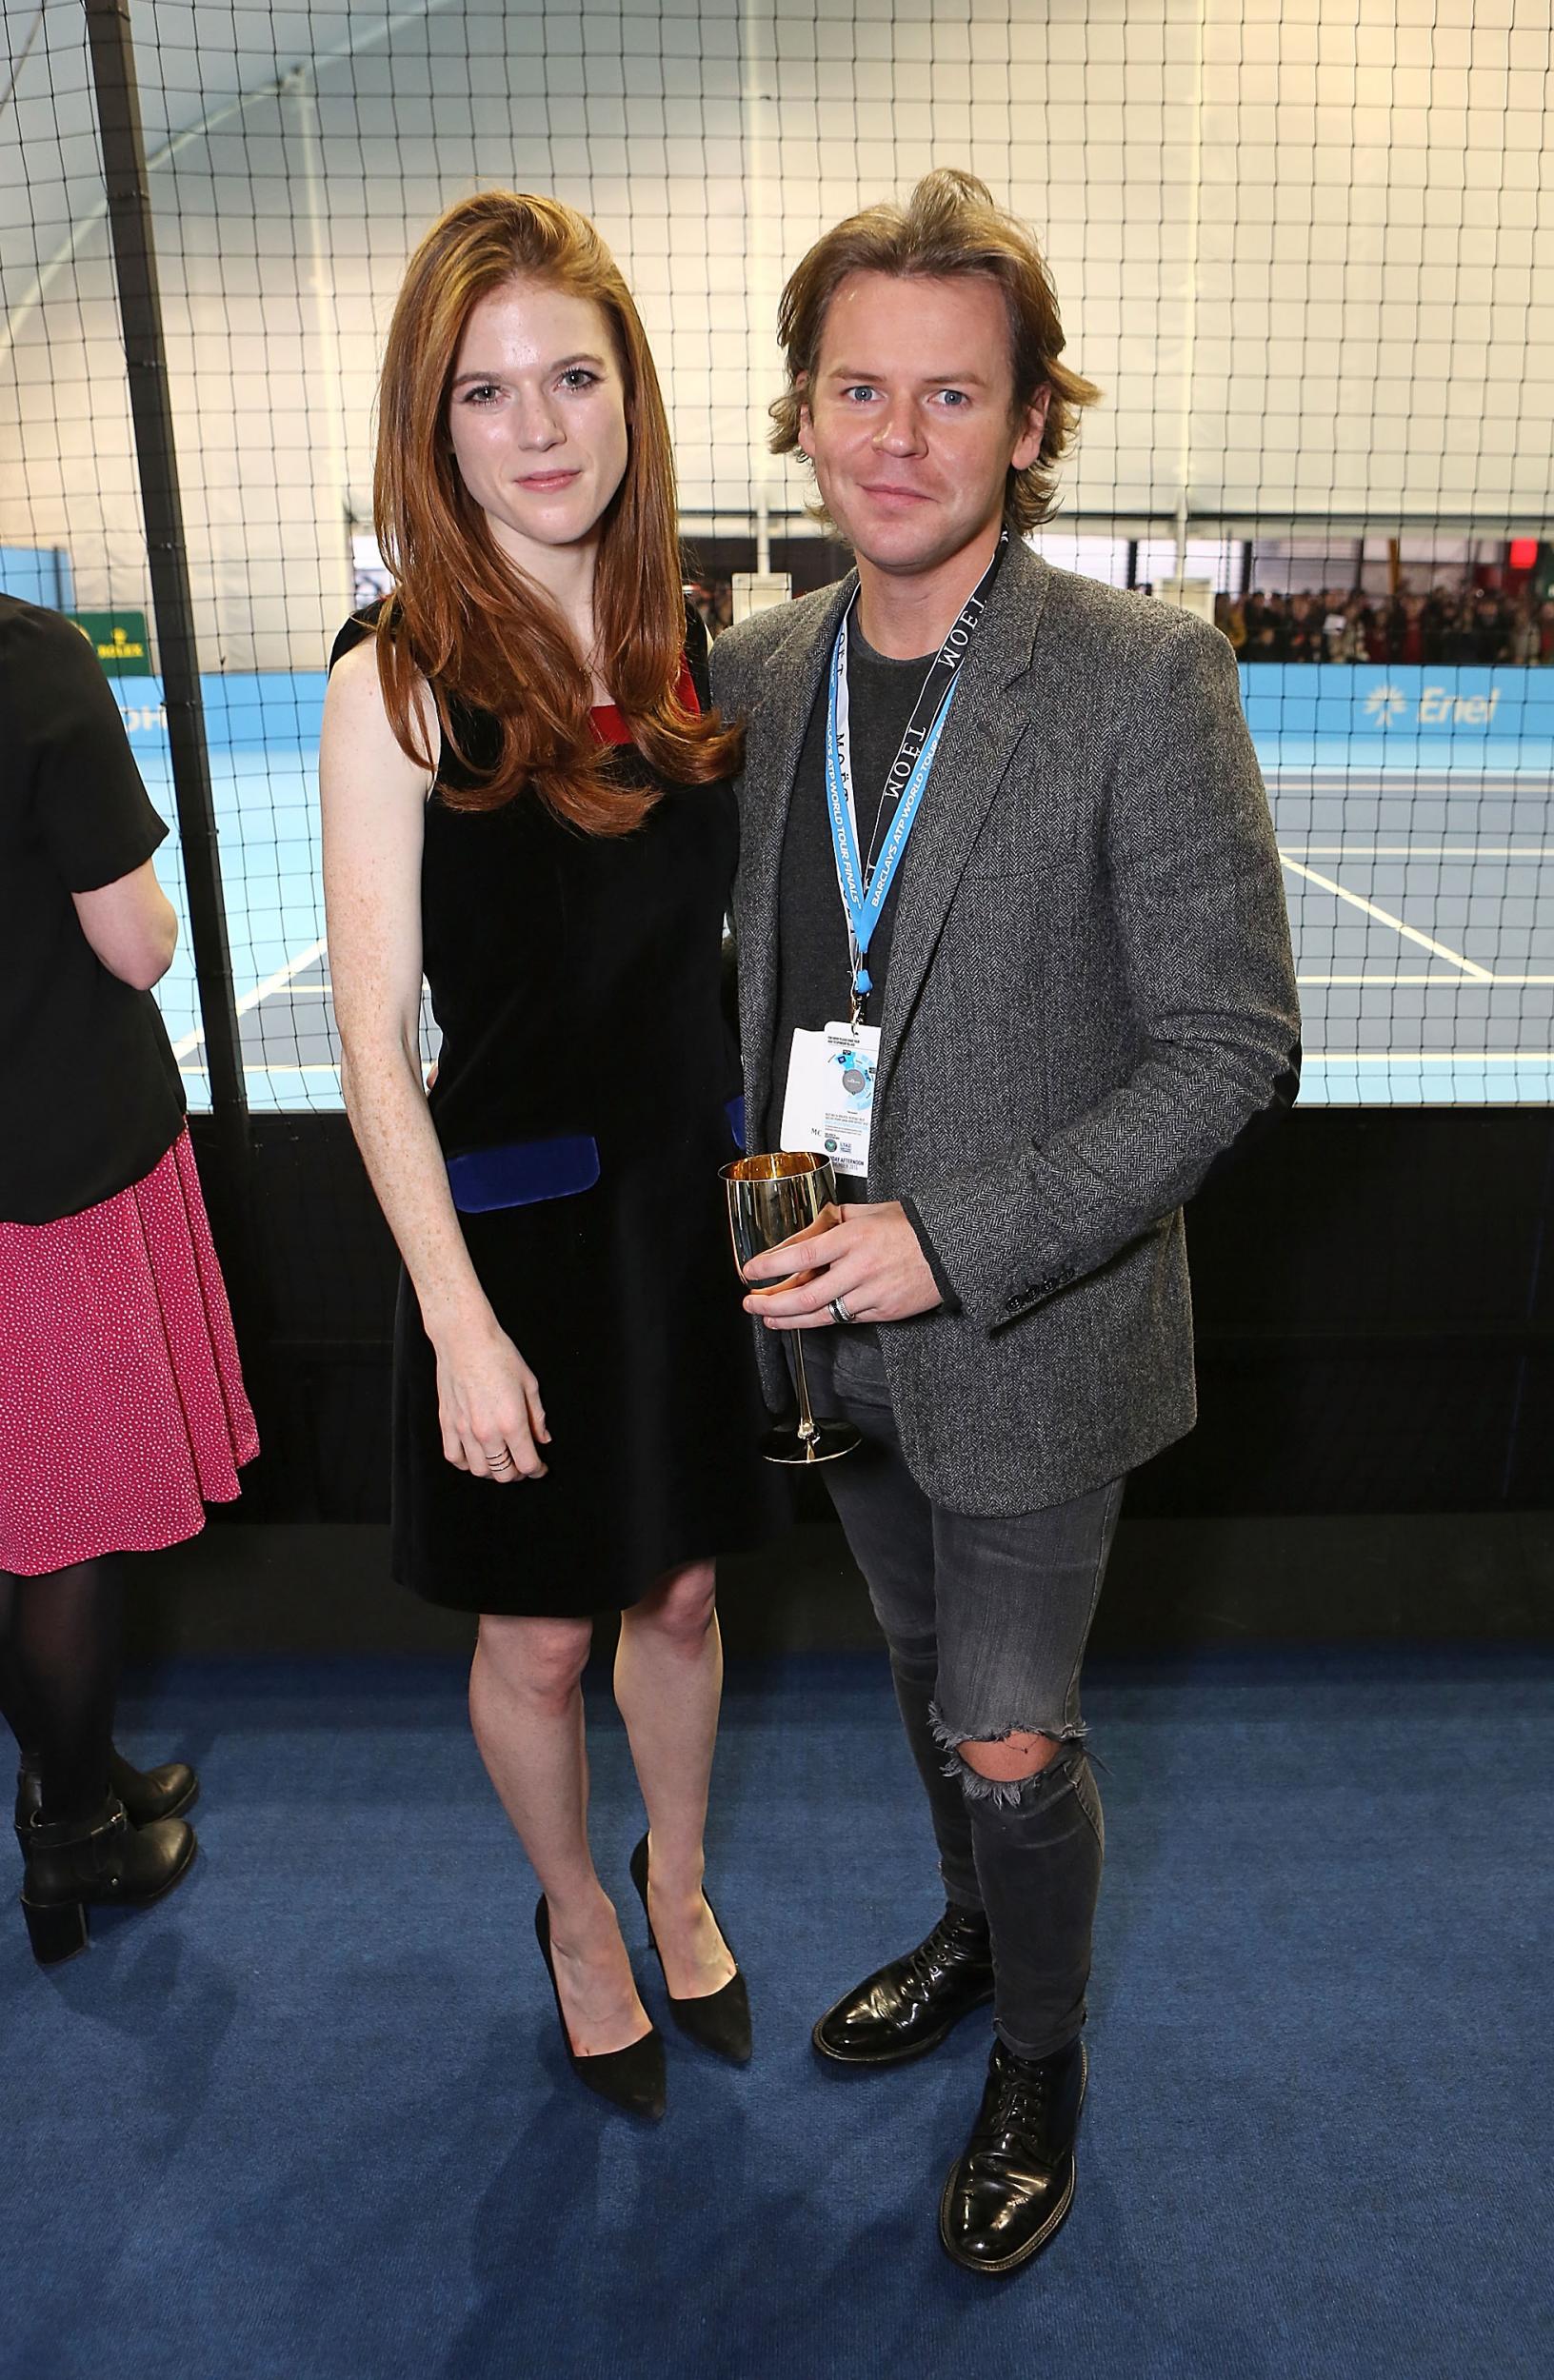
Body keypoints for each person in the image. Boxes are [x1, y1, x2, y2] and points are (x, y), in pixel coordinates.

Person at [712, 169, 1301, 2272]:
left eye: (952, 395)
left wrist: (952, 1237)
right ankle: (972, 1926)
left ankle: (1037, 2046)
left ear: (1034, 423)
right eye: (857, 387)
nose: (898, 433)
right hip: (819, 1316)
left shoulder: (1148, 676)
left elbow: (1230, 1045)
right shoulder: (756, 668)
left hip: (1028, 1322)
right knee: (903, 1655)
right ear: (800, 411)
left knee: (1008, 1715)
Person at [320, 191, 776, 2121]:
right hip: (509, 1255)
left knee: (677, 1595)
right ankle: (579, 1914)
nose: (538, 423)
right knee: (541, 1622)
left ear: (627, 389)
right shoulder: (398, 677)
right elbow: (371, 1045)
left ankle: (680, 1881)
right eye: (486, 391)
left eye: (571, 374)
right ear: (434, 431)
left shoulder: (689, 645)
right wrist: (460, 1320)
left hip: (682, 1231)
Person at [0, 598, 258, 1965]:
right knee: (65, 1531)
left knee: (21, 1516)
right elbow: (139, 943)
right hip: (50, 1170)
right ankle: (68, 1840)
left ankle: (80, 1776)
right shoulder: (30, 664)